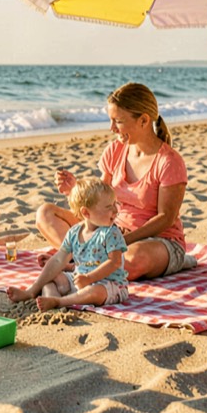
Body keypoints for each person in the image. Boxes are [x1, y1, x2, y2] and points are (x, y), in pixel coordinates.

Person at [36, 82, 191, 280]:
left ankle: (77, 262)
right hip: (110, 229)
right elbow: (98, 199)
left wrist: (120, 241)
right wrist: (75, 190)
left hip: (158, 241)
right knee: (45, 213)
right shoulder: (115, 150)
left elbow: (165, 219)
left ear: (143, 120)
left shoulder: (169, 161)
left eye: (117, 121)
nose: (111, 129)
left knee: (134, 259)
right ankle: (81, 261)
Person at [9, 178, 128, 309]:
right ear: (86, 212)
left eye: (114, 204)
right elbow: (58, 260)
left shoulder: (111, 232)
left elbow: (114, 262)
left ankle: (59, 302)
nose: (115, 211)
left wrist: (89, 278)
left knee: (94, 292)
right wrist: (35, 286)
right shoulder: (75, 232)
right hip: (79, 280)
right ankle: (37, 294)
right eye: (108, 207)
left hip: (109, 285)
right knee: (50, 279)